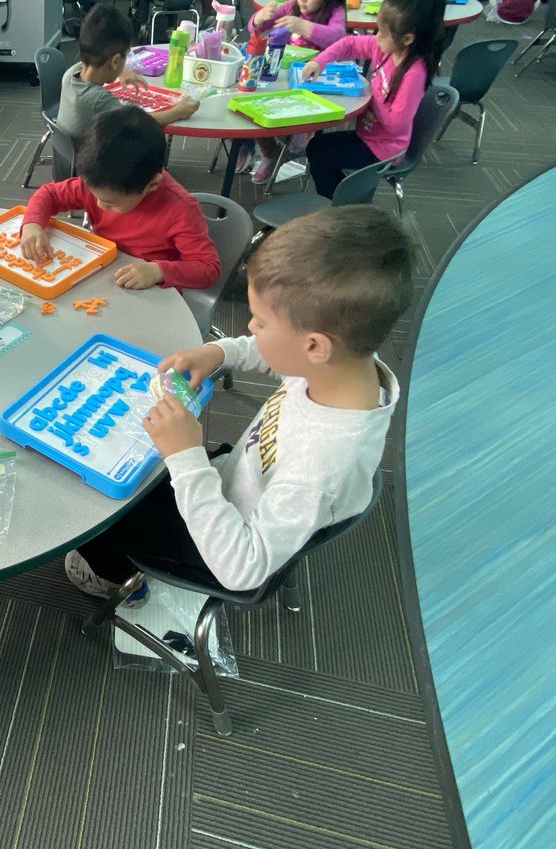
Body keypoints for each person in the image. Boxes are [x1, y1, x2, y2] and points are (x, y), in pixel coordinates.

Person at [65, 205, 410, 597]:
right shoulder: (344, 364)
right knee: (135, 473)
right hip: (236, 479)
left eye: (260, 322)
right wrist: (220, 352)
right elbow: (280, 354)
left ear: (315, 345)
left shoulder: (322, 466)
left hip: (221, 547)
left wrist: (187, 458)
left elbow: (242, 569)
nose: (250, 327)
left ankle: (115, 581)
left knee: (95, 517)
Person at [21, 105, 220, 293]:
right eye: (94, 195)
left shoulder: (181, 210)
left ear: (152, 185)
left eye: (110, 203)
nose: (99, 204)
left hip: (149, 290)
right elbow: (49, 193)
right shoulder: (100, 180)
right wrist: (32, 224)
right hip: (104, 270)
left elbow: (208, 268)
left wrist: (158, 271)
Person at [302, 0, 442, 197]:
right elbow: (350, 43)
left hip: (385, 149)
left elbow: (396, 124)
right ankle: (347, 199)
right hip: (368, 135)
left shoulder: (414, 73)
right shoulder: (386, 49)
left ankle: (337, 207)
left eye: (383, 34)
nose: (377, 38)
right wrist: (320, 61)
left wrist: (371, 93)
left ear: (407, 39)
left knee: (323, 160)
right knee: (315, 148)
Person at [57, 2, 199, 142]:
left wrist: (121, 71)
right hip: (96, 156)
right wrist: (178, 112)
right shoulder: (99, 100)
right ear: (115, 61)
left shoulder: (70, 75)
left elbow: (94, 59)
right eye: (126, 57)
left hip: (69, 153)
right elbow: (141, 121)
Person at [241, 0, 348, 184]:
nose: (303, 1)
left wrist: (304, 27)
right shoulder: (290, 7)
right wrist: (259, 18)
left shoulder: (334, 11)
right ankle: (270, 152)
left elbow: (338, 37)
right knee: (252, 107)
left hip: (312, 84)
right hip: (283, 75)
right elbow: (256, 27)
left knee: (290, 126)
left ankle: (294, 138)